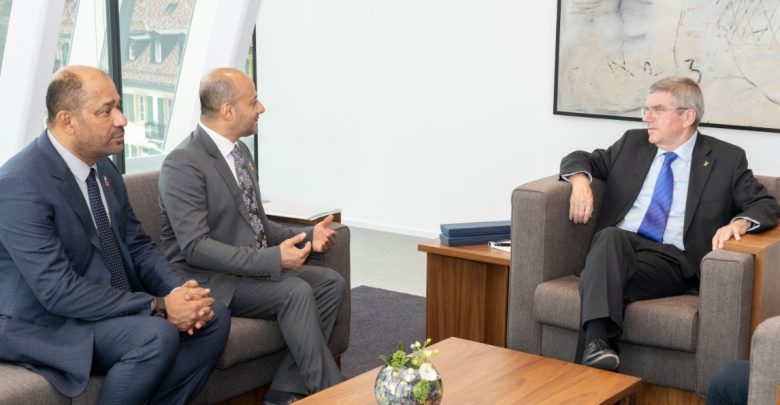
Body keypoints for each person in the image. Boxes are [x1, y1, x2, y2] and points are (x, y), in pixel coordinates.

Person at [0, 65, 230, 404]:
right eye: (106, 111)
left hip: (103, 305)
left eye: (118, 106)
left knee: (214, 315)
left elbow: (137, 245)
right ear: (67, 121)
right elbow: (58, 291)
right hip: (47, 323)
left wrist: (180, 291)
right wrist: (158, 306)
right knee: (156, 336)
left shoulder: (103, 169)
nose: (122, 119)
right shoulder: (19, 184)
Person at [561, 76, 780, 370]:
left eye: (657, 110)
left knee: (599, 276)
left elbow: (765, 204)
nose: (646, 118)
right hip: (618, 250)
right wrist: (579, 182)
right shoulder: (632, 143)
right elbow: (578, 158)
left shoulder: (726, 159)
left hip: (673, 261)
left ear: (687, 116)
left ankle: (590, 357)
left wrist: (738, 224)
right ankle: (597, 349)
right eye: (646, 109)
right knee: (610, 239)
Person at [158, 67, 346, 405]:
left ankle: (285, 392)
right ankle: (332, 395)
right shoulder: (183, 163)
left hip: (245, 271)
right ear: (228, 111)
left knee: (330, 283)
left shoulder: (240, 153)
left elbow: (258, 226)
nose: (262, 108)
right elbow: (195, 247)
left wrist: (307, 236)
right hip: (209, 279)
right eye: (254, 101)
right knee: (295, 291)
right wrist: (273, 260)